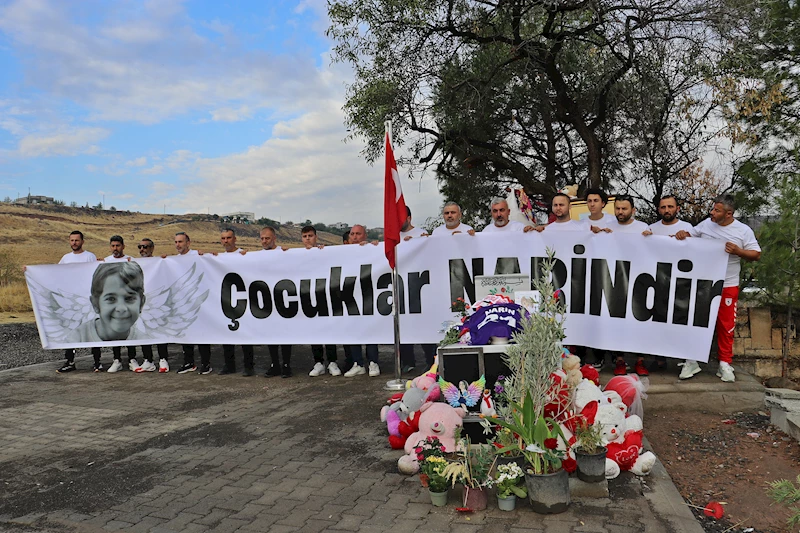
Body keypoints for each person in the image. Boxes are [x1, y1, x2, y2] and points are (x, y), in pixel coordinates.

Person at [675, 194, 761, 382]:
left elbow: (756, 254)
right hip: (703, 283)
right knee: (696, 322)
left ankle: (724, 363)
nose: (712, 213)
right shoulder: (706, 224)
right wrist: (683, 235)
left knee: (725, 325)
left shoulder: (743, 231)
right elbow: (690, 236)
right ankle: (692, 360)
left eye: (717, 210)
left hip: (728, 284)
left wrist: (739, 251)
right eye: (713, 209)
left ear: (729, 214)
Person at [642, 195, 694, 371]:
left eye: (670, 207)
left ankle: (686, 359)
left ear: (677, 208)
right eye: (663, 207)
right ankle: (659, 359)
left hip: (681, 282)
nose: (667, 210)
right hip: (658, 281)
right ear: (658, 210)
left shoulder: (687, 227)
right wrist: (645, 239)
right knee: (657, 320)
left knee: (681, 320)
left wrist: (688, 237)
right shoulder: (652, 228)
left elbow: (697, 250)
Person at [600, 196, 650, 376]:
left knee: (639, 321)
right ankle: (619, 360)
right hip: (616, 281)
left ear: (633, 210)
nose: (620, 212)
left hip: (639, 282)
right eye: (618, 209)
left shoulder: (643, 228)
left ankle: (640, 360)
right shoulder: (609, 228)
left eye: (624, 209)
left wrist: (649, 240)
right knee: (616, 322)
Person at [66, 261, 146, 344]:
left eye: (129, 298)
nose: (121, 308)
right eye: (111, 299)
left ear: (141, 303)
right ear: (95, 304)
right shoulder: (77, 339)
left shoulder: (145, 341)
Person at [55, 231, 99, 373]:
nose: (74, 243)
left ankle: (97, 362)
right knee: (71, 331)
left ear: (82, 242)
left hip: (87, 300)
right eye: (72, 240)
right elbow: (55, 273)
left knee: (92, 330)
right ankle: (70, 361)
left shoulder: (89, 256)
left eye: (77, 240)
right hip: (71, 302)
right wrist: (30, 270)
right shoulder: (66, 258)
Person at [301, 226, 342, 377]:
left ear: (316, 237)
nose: (307, 239)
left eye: (310, 236)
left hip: (325, 295)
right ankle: (318, 362)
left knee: (328, 329)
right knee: (315, 330)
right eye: (305, 236)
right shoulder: (296, 254)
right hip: (308, 296)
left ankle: (332, 362)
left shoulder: (324, 251)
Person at [171, 232, 213, 375]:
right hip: (183, 304)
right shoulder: (173, 260)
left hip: (200, 302)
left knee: (202, 334)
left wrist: (207, 256)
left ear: (188, 243)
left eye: (180, 242)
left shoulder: (198, 255)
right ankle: (189, 362)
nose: (178, 245)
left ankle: (206, 363)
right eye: (176, 242)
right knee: (186, 334)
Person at [100, 235, 143, 373]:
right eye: (112, 246)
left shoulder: (130, 260)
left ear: (123, 246)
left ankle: (132, 359)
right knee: (115, 330)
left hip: (127, 300)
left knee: (130, 329)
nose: (115, 248)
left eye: (118, 245)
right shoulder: (105, 261)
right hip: (114, 301)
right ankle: (117, 359)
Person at [217, 228, 256, 376]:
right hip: (226, 300)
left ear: (235, 239)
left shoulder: (244, 255)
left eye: (228, 238)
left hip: (244, 300)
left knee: (245, 335)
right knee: (226, 335)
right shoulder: (218, 257)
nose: (226, 241)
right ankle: (229, 365)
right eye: (223, 238)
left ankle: (249, 366)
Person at [344, 224, 381, 377]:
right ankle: (358, 363)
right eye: (352, 234)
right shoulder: (342, 252)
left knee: (369, 330)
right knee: (354, 330)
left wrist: (375, 247)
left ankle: (373, 363)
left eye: (358, 234)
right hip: (350, 296)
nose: (354, 237)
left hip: (368, 296)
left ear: (365, 235)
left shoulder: (371, 249)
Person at [257, 226, 293, 378]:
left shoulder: (283, 253)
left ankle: (286, 364)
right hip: (266, 300)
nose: (265, 241)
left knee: (284, 333)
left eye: (268, 238)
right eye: (262, 238)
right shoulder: (256, 256)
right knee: (270, 333)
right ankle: (274, 364)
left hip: (283, 298)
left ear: (274, 239)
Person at [131, 238, 170, 373]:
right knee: (143, 331)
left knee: (158, 330)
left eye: (145, 247)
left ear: (152, 248)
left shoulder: (158, 262)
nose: (142, 249)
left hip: (156, 301)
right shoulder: (136, 263)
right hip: (141, 302)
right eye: (140, 247)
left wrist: (164, 260)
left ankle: (163, 359)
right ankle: (148, 359)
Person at [469, 197, 536, 234]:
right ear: (491, 214)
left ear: (508, 212)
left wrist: (533, 230)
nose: (499, 214)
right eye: (495, 211)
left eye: (502, 210)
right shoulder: (487, 231)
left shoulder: (519, 228)